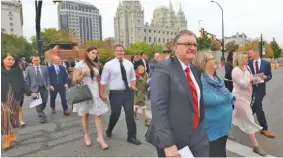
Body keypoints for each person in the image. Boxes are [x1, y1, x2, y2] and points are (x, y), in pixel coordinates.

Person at [146, 30, 209, 157]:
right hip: (174, 139)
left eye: (194, 45)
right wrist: (168, 144)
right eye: (187, 44)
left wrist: (201, 127)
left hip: (197, 135)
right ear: (176, 47)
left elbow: (196, 102)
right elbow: (158, 106)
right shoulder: (163, 69)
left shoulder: (195, 70)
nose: (192, 47)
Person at [100, 44, 141, 145]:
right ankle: (109, 129)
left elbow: (132, 77)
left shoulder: (129, 64)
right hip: (115, 93)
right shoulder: (108, 65)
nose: (119, 52)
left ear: (124, 52)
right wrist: (101, 93)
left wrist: (133, 86)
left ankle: (131, 137)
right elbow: (103, 80)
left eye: (121, 50)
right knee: (115, 114)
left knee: (129, 115)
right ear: (114, 52)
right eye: (117, 50)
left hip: (128, 93)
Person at [194, 51, 233, 157]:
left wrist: (227, 96)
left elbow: (228, 95)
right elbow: (210, 99)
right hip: (212, 128)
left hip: (223, 126)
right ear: (204, 63)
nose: (215, 61)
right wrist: (226, 96)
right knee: (215, 153)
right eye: (212, 59)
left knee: (221, 152)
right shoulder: (202, 80)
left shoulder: (216, 78)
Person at [72, 47, 109, 149]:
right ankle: (86, 134)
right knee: (86, 114)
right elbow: (75, 81)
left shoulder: (95, 64)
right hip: (85, 91)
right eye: (93, 53)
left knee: (99, 113)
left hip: (95, 91)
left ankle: (100, 138)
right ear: (87, 53)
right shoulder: (80, 64)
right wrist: (83, 75)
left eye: (96, 53)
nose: (95, 55)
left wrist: (101, 93)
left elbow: (98, 80)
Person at [232, 52, 267, 156]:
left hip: (246, 98)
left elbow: (250, 79)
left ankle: (224, 131)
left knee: (234, 117)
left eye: (247, 57)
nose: (247, 59)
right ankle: (256, 145)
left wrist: (258, 78)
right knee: (249, 120)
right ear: (239, 59)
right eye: (245, 58)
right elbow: (243, 84)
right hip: (239, 98)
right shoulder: (236, 70)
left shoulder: (246, 67)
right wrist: (250, 77)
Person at [1, 54, 36, 150]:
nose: (11, 61)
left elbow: (23, 83)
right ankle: (7, 139)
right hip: (2, 96)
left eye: (12, 59)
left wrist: (29, 92)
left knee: (11, 117)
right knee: (4, 114)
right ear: (3, 60)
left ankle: (11, 135)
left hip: (15, 96)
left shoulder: (17, 71)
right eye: (8, 59)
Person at [248, 47, 275, 138]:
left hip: (260, 88)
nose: (249, 55)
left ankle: (264, 128)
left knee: (257, 104)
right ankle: (243, 119)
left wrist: (265, 77)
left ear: (256, 52)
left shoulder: (266, 63)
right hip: (251, 87)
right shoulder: (248, 62)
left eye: (250, 53)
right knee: (254, 106)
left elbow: (270, 75)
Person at [25, 56, 50, 124]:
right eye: (35, 60)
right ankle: (41, 117)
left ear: (40, 60)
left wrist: (48, 85)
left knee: (44, 102)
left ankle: (41, 111)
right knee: (37, 103)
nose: (36, 61)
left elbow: (48, 77)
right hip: (34, 89)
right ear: (32, 61)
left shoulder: (45, 68)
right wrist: (28, 90)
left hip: (44, 88)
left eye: (37, 60)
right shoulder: (28, 69)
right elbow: (26, 80)